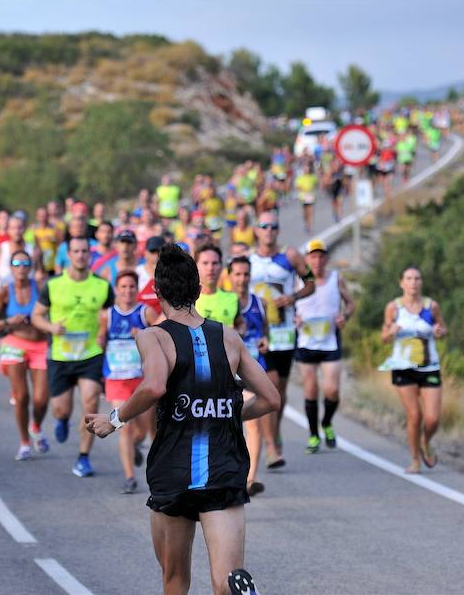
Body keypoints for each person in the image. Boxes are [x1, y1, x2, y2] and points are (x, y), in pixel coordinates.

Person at [84, 245, 279, 595]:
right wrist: (231, 414)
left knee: (175, 580)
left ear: (157, 293)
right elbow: (270, 399)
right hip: (224, 468)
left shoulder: (153, 336)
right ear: (199, 290)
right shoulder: (229, 337)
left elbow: (155, 385)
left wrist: (114, 420)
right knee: (226, 580)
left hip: (174, 471)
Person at [31, 236, 114, 477]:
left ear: (90, 255)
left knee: (90, 401)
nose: (80, 255)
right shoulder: (53, 285)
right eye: (75, 251)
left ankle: (83, 458)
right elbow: (37, 316)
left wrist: (103, 332)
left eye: (84, 251)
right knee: (61, 409)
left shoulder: (101, 286)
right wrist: (50, 328)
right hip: (60, 355)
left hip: (91, 354)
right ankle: (62, 419)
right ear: (68, 255)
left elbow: (111, 314)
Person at [249, 211, 315, 468]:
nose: (268, 230)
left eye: (273, 226)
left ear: (278, 230)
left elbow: (311, 283)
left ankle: (274, 433)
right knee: (270, 385)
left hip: (284, 331)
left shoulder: (290, 256)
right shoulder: (248, 260)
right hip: (258, 334)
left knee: (281, 392)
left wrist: (293, 298)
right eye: (264, 225)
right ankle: (271, 447)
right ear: (257, 230)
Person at [379, 266, 447, 474]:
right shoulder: (394, 307)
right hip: (403, 367)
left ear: (421, 282)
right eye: (409, 279)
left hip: (429, 366)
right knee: (415, 416)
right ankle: (415, 459)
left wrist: (439, 331)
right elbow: (383, 337)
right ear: (402, 283)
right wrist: (390, 331)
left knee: (432, 418)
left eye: (417, 278)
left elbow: (443, 329)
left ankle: (425, 441)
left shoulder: (431, 306)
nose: (413, 283)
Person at [98, 269, 160, 493]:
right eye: (123, 287)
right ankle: (129, 477)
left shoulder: (147, 313)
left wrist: (143, 336)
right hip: (116, 379)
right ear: (117, 289)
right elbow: (100, 341)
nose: (127, 291)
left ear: (137, 289)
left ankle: (136, 444)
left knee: (142, 430)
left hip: (142, 380)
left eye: (131, 286)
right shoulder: (107, 315)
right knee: (122, 425)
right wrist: (99, 341)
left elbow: (161, 341)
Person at [0, 250, 50, 460]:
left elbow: (54, 311)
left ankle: (36, 426)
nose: (21, 267)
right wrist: (8, 322)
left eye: (25, 263)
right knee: (22, 396)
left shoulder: (40, 288)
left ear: (30, 267)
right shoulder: (5, 291)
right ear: (11, 268)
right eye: (16, 264)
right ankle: (24, 442)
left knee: (41, 399)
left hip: (39, 345)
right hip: (14, 344)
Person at [294, 240, 355, 454]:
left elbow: (350, 304)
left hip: (330, 341)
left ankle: (327, 422)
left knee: (332, 390)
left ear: (326, 259)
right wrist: (294, 318)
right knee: (311, 389)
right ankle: (313, 435)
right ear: (307, 259)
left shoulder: (336, 279)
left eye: (321, 256)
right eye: (313, 256)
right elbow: (286, 305)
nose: (317, 261)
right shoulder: (298, 281)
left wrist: (344, 316)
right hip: (306, 342)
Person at [228, 256, 270, 496]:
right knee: (231, 421)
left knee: (254, 422)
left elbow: (265, 333)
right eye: (237, 274)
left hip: (253, 369)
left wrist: (266, 341)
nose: (242, 279)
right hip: (229, 371)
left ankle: (251, 478)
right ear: (230, 276)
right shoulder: (225, 302)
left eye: (246, 274)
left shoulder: (259, 303)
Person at [0, 215, 33, 301]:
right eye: (13, 228)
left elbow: (41, 274)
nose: (17, 231)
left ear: (25, 229)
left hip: (28, 296)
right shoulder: (0, 250)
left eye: (20, 228)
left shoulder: (34, 251)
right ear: (7, 230)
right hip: (5, 298)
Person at [195, 245, 241, 329]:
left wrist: (239, 333)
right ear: (196, 266)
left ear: (221, 267)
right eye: (205, 263)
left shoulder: (232, 298)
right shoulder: (186, 300)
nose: (210, 268)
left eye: (215, 263)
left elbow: (240, 324)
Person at [27, 206, 58, 279]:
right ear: (36, 217)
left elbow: (60, 245)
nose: (42, 218)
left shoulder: (54, 229)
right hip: (37, 267)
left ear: (48, 216)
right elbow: (27, 245)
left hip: (51, 267)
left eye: (44, 215)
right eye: (40, 215)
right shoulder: (32, 230)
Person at [136, 236, 165, 316]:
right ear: (145, 253)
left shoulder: (172, 275)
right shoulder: (136, 273)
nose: (156, 255)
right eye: (153, 251)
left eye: (160, 251)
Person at [294, 163, 318, 234]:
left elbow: (316, 184)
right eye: (305, 168)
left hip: (310, 196)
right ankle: (306, 224)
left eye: (308, 168)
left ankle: (310, 227)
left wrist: (311, 188)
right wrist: (303, 188)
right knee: (305, 213)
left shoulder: (313, 177)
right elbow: (297, 186)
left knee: (310, 212)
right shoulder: (300, 177)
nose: (307, 170)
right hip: (303, 196)